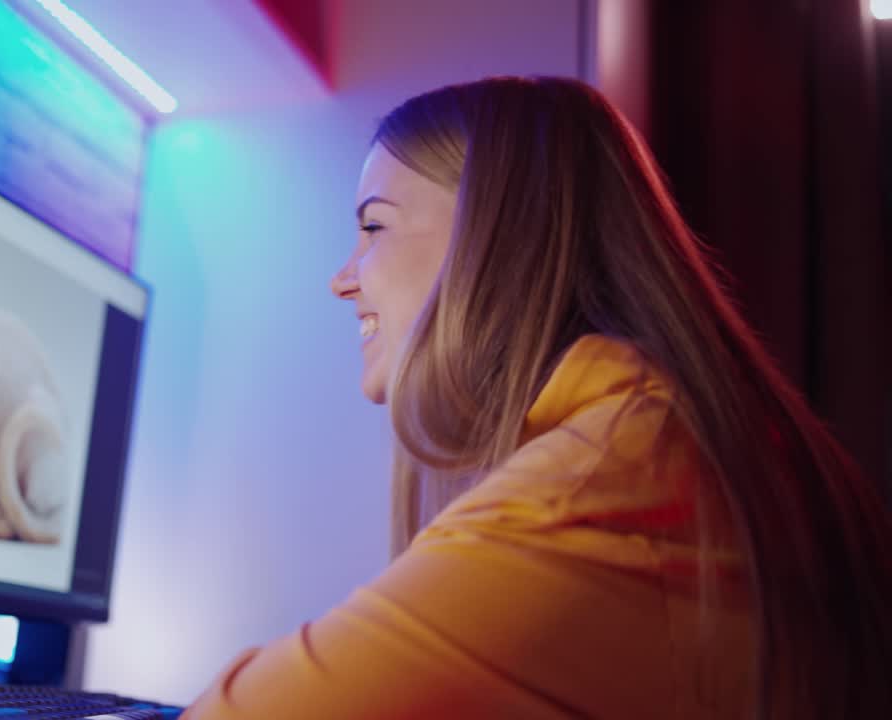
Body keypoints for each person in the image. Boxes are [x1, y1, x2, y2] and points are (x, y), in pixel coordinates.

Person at [180, 77, 892, 719]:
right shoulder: (661, 434)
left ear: (497, 234)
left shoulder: (605, 481)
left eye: (373, 227)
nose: (342, 279)